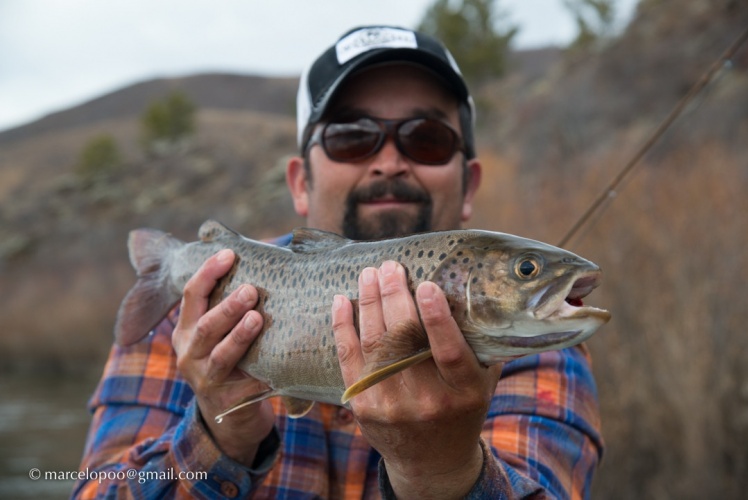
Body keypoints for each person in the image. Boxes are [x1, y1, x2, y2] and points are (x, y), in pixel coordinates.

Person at [75, 25, 603, 499]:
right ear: (300, 183)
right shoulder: (198, 309)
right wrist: (220, 434)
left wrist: (442, 473)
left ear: (470, 184)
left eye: (427, 137)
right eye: (352, 138)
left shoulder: (532, 338)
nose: (390, 161)